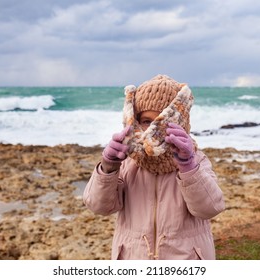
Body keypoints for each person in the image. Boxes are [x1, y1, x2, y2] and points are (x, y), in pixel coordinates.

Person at [83, 74, 225, 260]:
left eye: (162, 120)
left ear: (178, 120)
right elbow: (99, 206)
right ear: (134, 121)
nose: (152, 130)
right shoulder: (127, 162)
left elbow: (210, 208)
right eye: (146, 121)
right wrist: (108, 167)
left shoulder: (196, 160)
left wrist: (188, 167)